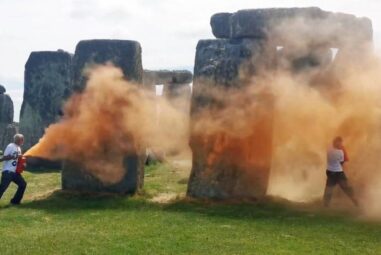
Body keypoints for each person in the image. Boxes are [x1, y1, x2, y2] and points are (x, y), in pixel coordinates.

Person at [323, 136, 358, 207]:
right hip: (338, 172)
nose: (341, 144)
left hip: (330, 172)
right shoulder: (340, 152)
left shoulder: (329, 150)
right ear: (336, 143)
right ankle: (355, 201)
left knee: (329, 189)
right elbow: (342, 162)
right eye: (340, 143)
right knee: (347, 188)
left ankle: (325, 205)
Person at [0, 134, 27, 205]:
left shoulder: (19, 148)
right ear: (18, 140)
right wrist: (14, 156)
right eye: (22, 139)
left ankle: (15, 201)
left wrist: (23, 165)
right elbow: (4, 157)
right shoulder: (10, 146)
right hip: (8, 172)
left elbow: (18, 160)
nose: (23, 141)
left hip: (15, 173)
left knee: (23, 184)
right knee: (2, 188)